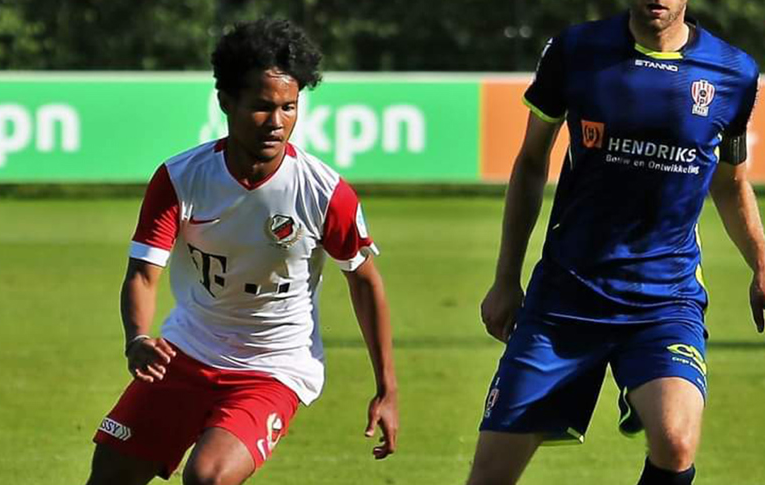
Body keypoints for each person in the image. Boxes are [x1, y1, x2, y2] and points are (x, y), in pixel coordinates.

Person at [84, 18, 398, 485]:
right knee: (109, 476)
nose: (277, 123)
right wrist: (137, 338)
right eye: (262, 107)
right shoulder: (180, 179)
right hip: (185, 351)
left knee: (208, 477)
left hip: (273, 368)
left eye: (289, 107)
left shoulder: (324, 192)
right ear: (226, 103)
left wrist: (387, 388)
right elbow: (143, 274)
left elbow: (365, 280)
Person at [468, 1, 762, 484]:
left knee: (676, 440)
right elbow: (531, 162)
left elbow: (730, 184)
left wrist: (762, 264)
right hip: (566, 297)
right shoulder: (575, 50)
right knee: (490, 476)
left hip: (665, 301)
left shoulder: (734, 73)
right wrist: (505, 279)